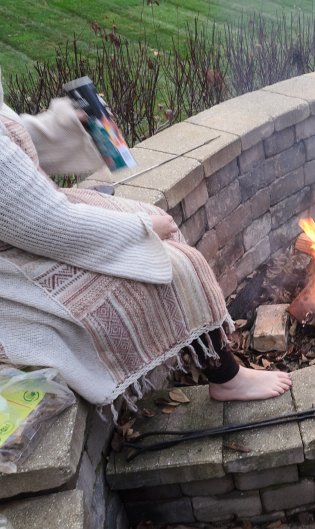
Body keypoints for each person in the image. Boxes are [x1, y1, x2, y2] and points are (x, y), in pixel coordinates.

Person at [0, 74, 291, 409]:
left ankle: (213, 360)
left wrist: (68, 127)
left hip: (27, 227)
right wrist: (140, 228)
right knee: (170, 267)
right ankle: (227, 379)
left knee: (156, 229)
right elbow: (45, 226)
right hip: (16, 264)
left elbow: (12, 142)